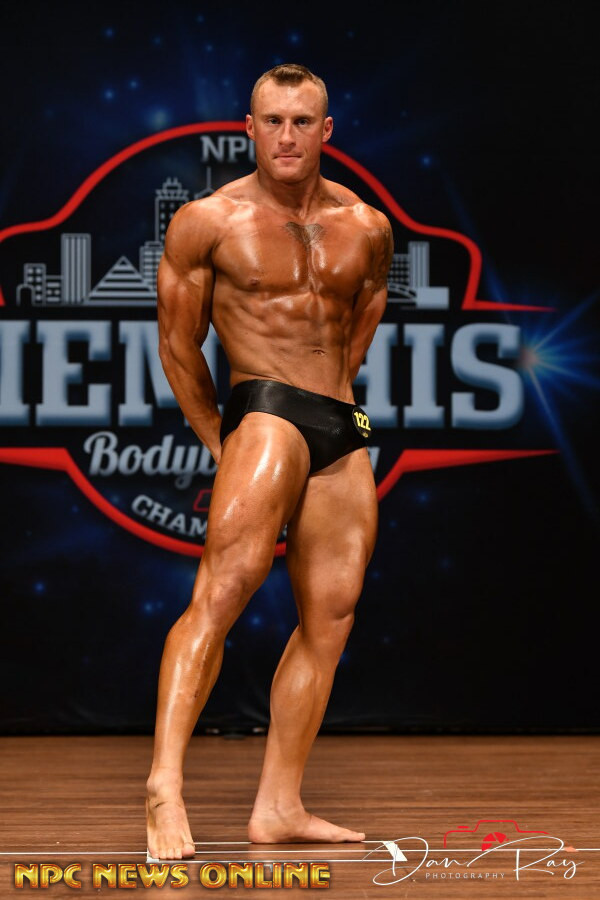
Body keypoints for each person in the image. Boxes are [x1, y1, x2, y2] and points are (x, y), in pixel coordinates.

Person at [146, 63, 393, 860]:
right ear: (248, 129)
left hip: (339, 424)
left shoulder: (368, 225)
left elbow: (361, 322)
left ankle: (279, 805)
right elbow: (178, 345)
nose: (288, 136)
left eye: (303, 121)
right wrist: (221, 434)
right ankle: (164, 786)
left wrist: (338, 403)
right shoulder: (209, 221)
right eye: (273, 121)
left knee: (332, 618)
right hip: (265, 409)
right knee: (220, 594)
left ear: (327, 130)